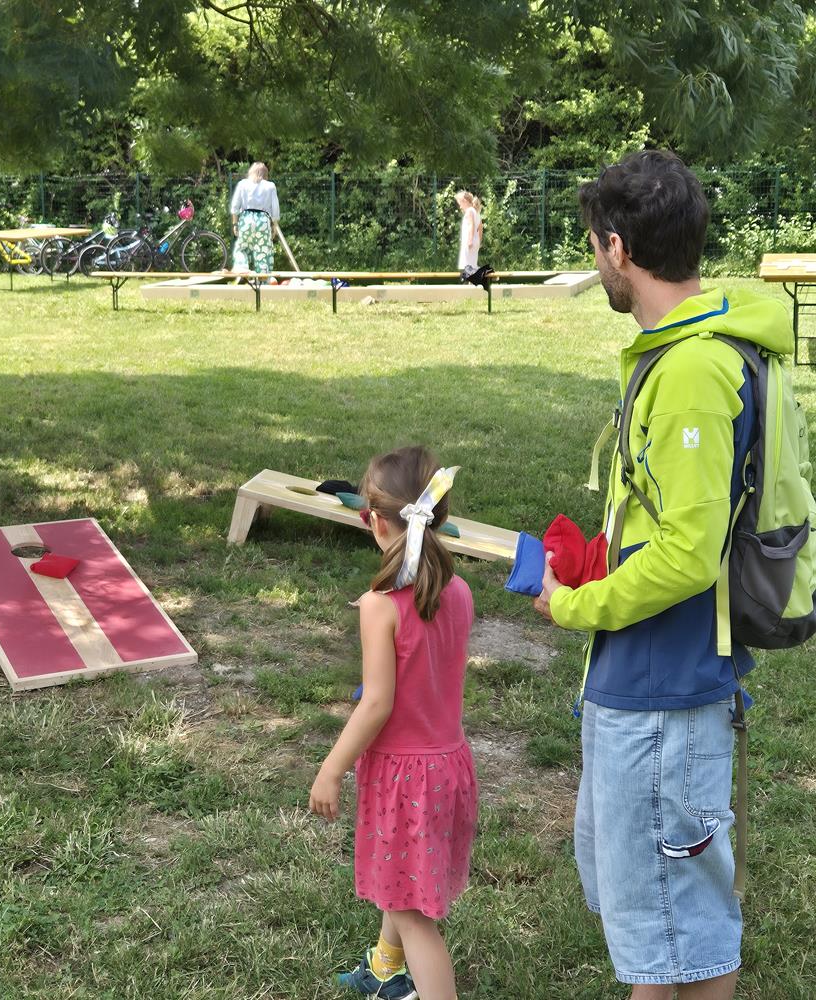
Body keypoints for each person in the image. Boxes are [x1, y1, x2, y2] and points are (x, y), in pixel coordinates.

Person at [534, 150, 793, 998]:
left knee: (671, 941)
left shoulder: (690, 371)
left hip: (663, 694)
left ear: (616, 249)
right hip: (650, 685)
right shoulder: (690, 347)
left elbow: (687, 552)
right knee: (672, 925)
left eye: (594, 247)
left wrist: (578, 605)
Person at [310, 447, 477, 1000]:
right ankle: (385, 970)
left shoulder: (380, 604)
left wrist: (331, 769)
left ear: (374, 521)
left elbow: (377, 703)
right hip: (447, 767)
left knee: (412, 914)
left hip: (406, 779)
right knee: (398, 881)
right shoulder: (458, 592)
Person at [229, 162, 280, 278]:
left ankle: (242, 270)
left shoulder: (242, 184)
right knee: (263, 251)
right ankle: (263, 278)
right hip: (263, 220)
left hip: (246, 219)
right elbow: (275, 209)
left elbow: (235, 206)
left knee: (242, 248)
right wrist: (274, 226)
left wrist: (235, 224)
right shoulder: (270, 186)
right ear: (265, 174)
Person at [454, 191, 482, 270]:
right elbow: (480, 228)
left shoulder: (469, 211)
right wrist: (479, 241)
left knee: (469, 266)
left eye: (460, 204)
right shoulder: (476, 212)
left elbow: (471, 225)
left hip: (470, 241)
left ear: (465, 201)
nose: (460, 207)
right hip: (475, 241)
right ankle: (474, 280)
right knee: (472, 264)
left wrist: (470, 240)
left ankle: (478, 279)